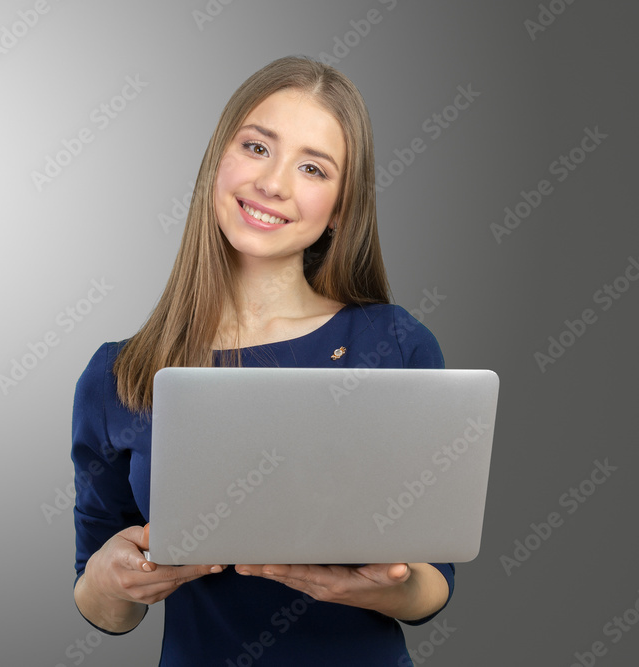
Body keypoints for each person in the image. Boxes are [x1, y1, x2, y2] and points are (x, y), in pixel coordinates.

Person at [70, 55, 454, 665]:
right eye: (256, 147)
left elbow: (435, 582)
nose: (273, 183)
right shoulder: (120, 373)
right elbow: (103, 603)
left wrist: (393, 588)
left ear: (341, 203)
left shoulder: (396, 345)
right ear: (217, 159)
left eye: (311, 167)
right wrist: (109, 582)